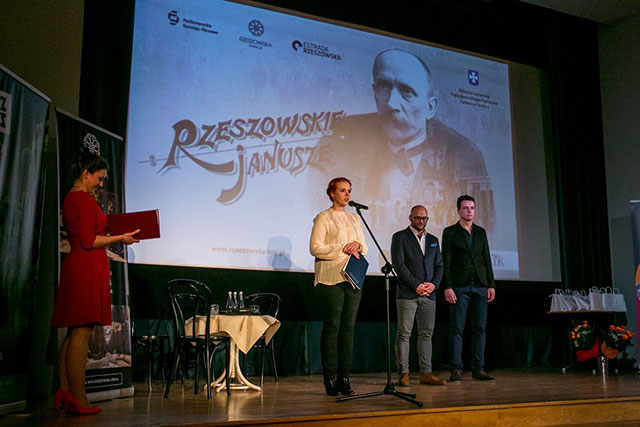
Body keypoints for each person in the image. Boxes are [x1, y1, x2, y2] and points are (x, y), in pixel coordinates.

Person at [310, 49, 494, 246]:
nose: (391, 103)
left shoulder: (464, 153)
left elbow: (486, 230)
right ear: (374, 91)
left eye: (407, 92)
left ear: (430, 107)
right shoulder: (341, 138)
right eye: (383, 87)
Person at [51, 149, 139, 415]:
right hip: (86, 267)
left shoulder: (73, 198)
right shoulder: (84, 200)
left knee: (73, 331)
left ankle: (65, 390)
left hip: (78, 265)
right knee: (82, 330)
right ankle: (78, 397)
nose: (101, 184)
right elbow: (90, 241)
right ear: (85, 174)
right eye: (99, 178)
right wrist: (120, 238)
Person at [309, 177, 368, 396]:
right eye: (342, 190)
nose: (347, 194)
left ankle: (345, 377)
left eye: (349, 191)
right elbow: (315, 247)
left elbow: (364, 247)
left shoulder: (354, 218)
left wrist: (357, 245)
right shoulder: (323, 217)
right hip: (331, 277)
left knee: (348, 329)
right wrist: (342, 248)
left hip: (352, 278)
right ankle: (330, 378)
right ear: (332, 193)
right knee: (332, 328)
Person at [442, 195, 495, 382]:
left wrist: (491, 285)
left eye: (472, 207)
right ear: (458, 211)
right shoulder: (450, 232)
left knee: (480, 328)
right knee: (457, 328)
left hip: (480, 285)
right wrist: (448, 287)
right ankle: (456, 369)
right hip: (459, 286)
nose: (469, 211)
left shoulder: (480, 232)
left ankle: (478, 369)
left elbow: (486, 259)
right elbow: (446, 261)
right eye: (465, 208)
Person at [391, 205, 445, 387]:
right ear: (410, 218)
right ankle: (403, 373)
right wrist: (416, 285)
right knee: (404, 334)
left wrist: (434, 284)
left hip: (429, 294)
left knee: (426, 334)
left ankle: (426, 373)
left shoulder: (433, 240)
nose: (421, 221)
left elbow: (439, 265)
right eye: (417, 218)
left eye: (424, 218)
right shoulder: (400, 237)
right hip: (407, 294)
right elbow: (399, 265)